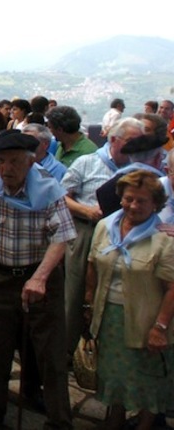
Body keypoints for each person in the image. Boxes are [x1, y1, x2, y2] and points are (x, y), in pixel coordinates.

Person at [0, 131, 76, 430]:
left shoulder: (48, 188)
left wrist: (39, 278)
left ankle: (59, 421)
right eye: (1, 161)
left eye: (14, 162)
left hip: (41, 278)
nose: (6, 169)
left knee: (50, 354)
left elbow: (61, 237)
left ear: (30, 161)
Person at [84, 171, 174, 430]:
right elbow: (92, 264)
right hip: (109, 317)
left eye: (141, 201)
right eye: (128, 199)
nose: (133, 206)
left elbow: (171, 288)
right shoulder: (105, 226)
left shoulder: (164, 238)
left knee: (147, 382)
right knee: (113, 377)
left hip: (147, 321)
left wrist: (160, 328)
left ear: (155, 204)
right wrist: (88, 303)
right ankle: (114, 422)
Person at [62, 118, 145, 359]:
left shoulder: (138, 168)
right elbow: (61, 197)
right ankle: (69, 349)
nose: (134, 147)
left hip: (126, 236)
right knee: (76, 291)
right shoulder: (87, 163)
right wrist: (86, 211)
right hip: (88, 230)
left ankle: (107, 349)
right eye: (130, 141)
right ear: (113, 140)